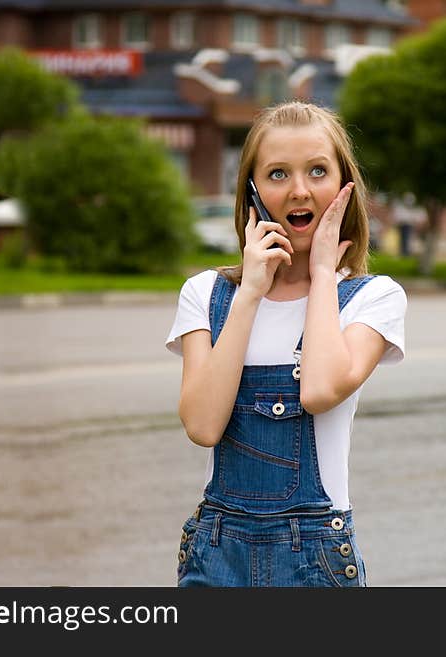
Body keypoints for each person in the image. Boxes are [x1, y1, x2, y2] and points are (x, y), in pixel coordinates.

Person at [165, 101, 406, 587]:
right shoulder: (206, 296)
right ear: (252, 192)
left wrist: (321, 273)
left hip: (314, 561)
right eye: (277, 174)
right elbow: (202, 424)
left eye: (318, 171)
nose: (299, 190)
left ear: (344, 187)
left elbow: (318, 390)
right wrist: (251, 291)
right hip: (216, 556)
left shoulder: (371, 299)